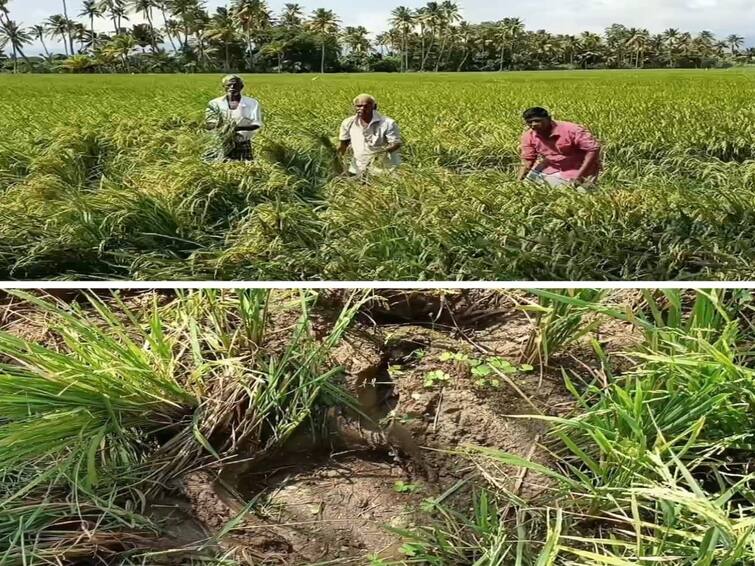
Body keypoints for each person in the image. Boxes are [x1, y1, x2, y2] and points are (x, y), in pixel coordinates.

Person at [518, 107, 601, 188]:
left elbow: (593, 149)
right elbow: (527, 160)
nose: (533, 125)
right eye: (529, 122)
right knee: (527, 187)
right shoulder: (529, 136)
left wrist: (580, 176)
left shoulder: (572, 130)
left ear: (549, 119)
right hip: (552, 167)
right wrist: (518, 182)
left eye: (537, 121)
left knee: (575, 193)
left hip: (578, 167)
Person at [338, 94, 402, 177]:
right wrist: (338, 159)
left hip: (385, 168)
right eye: (359, 106)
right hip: (358, 167)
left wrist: (379, 154)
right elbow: (344, 144)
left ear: (374, 107)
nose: (362, 109)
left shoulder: (388, 123)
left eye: (366, 106)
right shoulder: (348, 123)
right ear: (354, 107)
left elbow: (396, 143)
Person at [206, 75, 263, 161]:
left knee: (245, 169)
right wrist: (222, 126)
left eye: (235, 85)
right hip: (219, 142)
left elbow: (256, 124)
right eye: (229, 85)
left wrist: (235, 128)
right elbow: (209, 123)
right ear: (224, 87)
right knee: (218, 168)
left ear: (241, 87)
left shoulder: (252, 103)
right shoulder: (214, 103)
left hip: (242, 143)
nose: (232, 87)